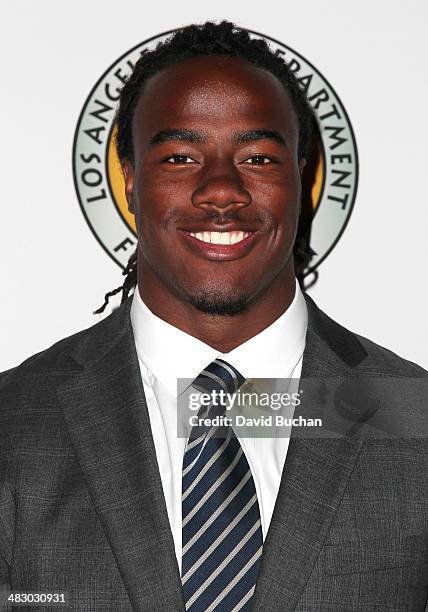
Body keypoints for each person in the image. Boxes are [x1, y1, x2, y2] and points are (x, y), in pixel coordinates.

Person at [1, 20, 427, 612]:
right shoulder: (14, 425)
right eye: (179, 156)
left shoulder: (412, 417)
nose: (221, 190)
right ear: (129, 179)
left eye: (257, 157)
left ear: (301, 179)